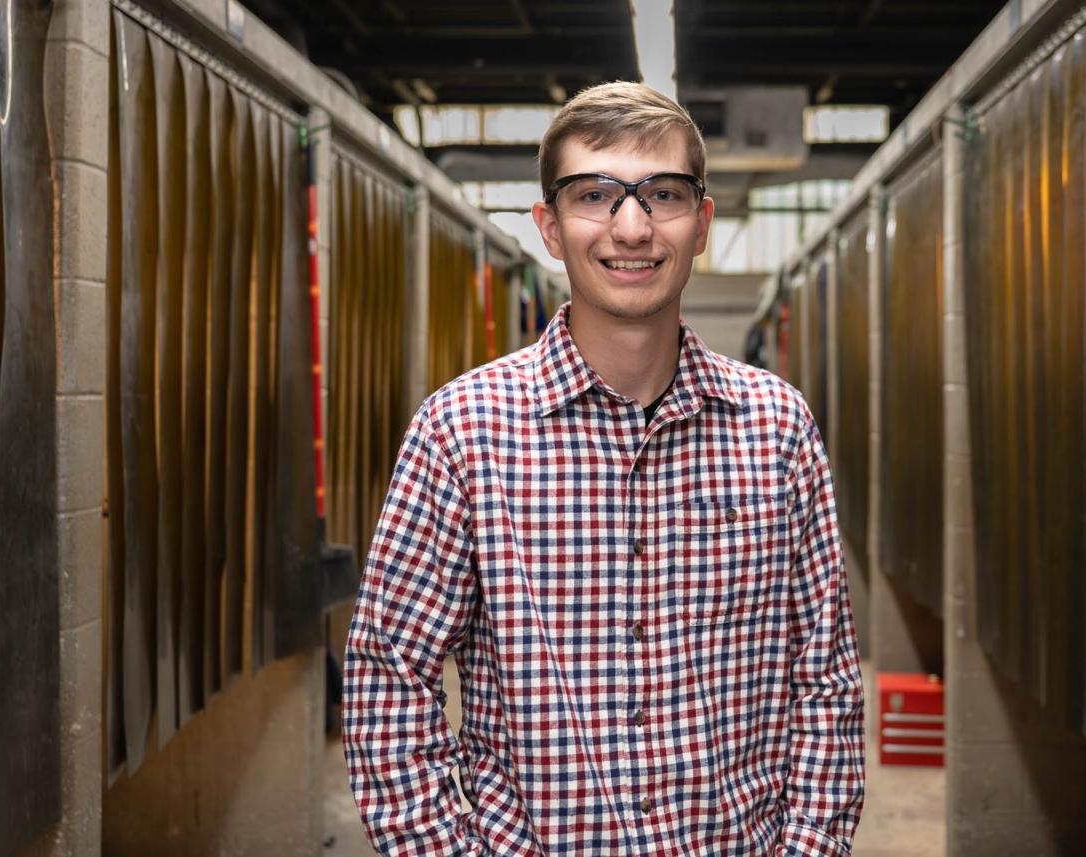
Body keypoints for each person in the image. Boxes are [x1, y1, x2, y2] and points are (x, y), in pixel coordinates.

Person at [344, 81, 865, 856]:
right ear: (550, 228)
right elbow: (389, 678)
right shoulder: (461, 432)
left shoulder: (777, 429)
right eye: (595, 194)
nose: (631, 226)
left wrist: (809, 845)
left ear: (703, 223)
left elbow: (824, 681)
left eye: (663, 193)